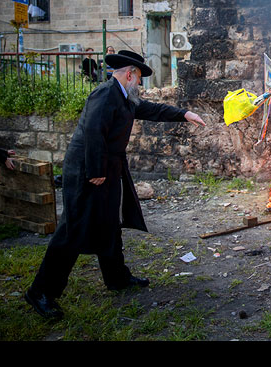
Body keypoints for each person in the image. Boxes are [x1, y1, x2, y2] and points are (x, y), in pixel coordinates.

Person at [25, 49, 206, 320]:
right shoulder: (105, 94)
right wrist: (96, 170)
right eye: (140, 78)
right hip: (88, 170)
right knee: (72, 231)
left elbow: (152, 109)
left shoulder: (125, 97)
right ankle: (40, 291)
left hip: (107, 169)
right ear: (130, 74)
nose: (141, 84)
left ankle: (117, 278)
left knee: (109, 223)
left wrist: (184, 114)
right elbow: (93, 131)